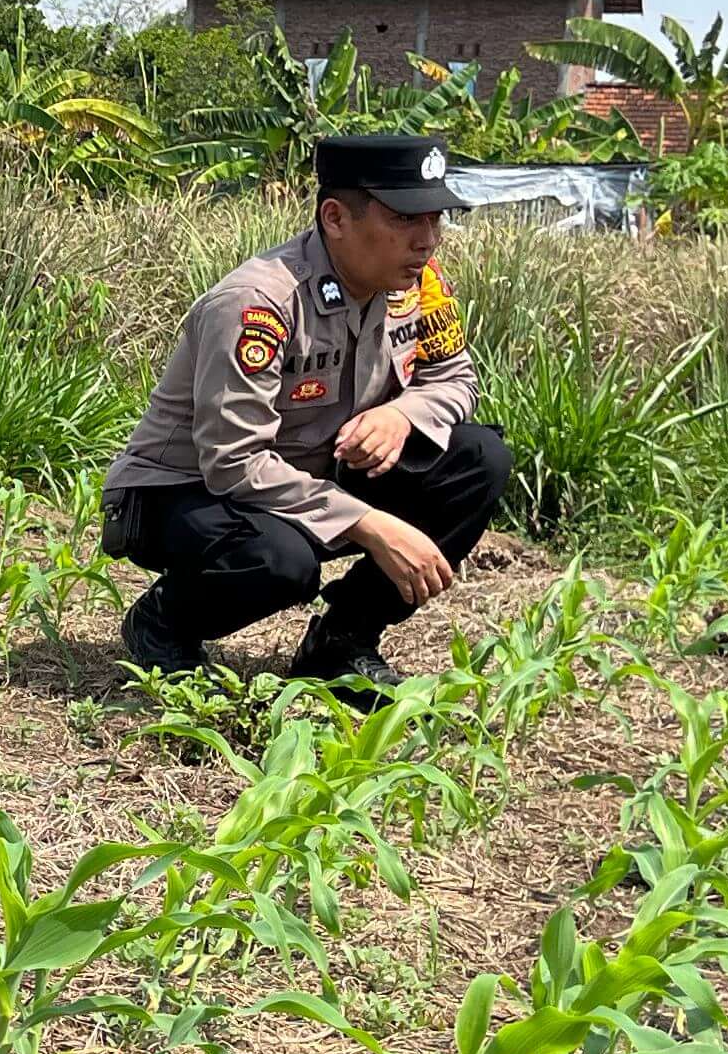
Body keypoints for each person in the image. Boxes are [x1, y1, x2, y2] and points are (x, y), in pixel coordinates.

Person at [100, 132, 510, 697]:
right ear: (336, 218)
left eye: (436, 218)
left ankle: (342, 642)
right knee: (281, 561)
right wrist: (369, 524)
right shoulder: (256, 303)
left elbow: (455, 378)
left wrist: (403, 415)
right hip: (182, 493)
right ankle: (164, 624)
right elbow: (233, 463)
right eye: (405, 219)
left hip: (308, 479)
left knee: (478, 458)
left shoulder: (418, 288)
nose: (428, 240)